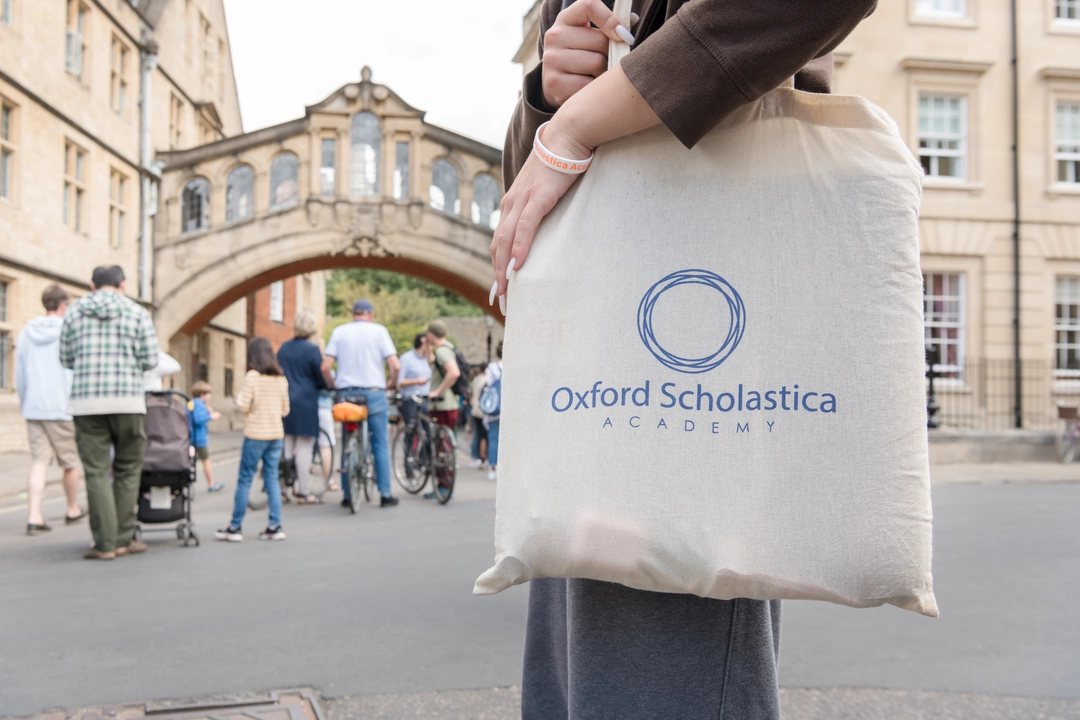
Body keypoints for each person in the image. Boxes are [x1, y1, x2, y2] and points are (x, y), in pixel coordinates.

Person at [491, 0, 876, 716]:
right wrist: (548, 95)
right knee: (579, 677)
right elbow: (530, 198)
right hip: (591, 354)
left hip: (699, 300)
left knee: (661, 666)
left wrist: (581, 118)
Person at [60, 266, 159, 560]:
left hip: (87, 403)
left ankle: (104, 544)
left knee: (97, 472)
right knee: (129, 470)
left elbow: (65, 358)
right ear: (123, 284)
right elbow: (150, 359)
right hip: (128, 401)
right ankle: (122, 539)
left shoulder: (74, 312)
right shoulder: (137, 312)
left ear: (92, 285)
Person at [16, 284, 85, 535]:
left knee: (39, 461)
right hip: (62, 406)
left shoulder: (26, 331)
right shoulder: (69, 330)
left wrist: (26, 402)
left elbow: (19, 372)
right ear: (64, 305)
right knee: (70, 463)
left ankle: (34, 515)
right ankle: (72, 508)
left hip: (34, 406)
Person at [321, 299, 401, 508]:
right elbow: (395, 365)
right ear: (371, 315)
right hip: (374, 393)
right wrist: (392, 383)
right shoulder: (379, 331)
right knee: (380, 443)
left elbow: (325, 366)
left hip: (347, 393)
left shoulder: (340, 332)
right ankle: (385, 494)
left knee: (347, 440)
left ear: (353, 314)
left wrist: (333, 386)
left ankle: (347, 495)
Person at [216, 337, 290, 542]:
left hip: (256, 435)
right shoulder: (281, 379)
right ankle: (275, 526)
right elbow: (285, 410)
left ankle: (235, 526)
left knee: (245, 479)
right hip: (276, 435)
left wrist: (248, 405)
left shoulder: (253, 377)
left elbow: (242, 405)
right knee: (272, 478)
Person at [277, 310, 327, 504]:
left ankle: (283, 490)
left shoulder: (283, 348)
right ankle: (304, 491)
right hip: (306, 402)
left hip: (285, 401)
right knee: (305, 448)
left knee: (286, 447)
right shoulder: (312, 350)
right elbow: (320, 377)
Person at [398, 333, 432, 480]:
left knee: (429, 432)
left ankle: (422, 461)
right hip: (410, 399)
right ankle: (408, 467)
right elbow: (400, 382)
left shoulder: (427, 359)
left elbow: (433, 362)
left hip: (425, 399)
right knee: (410, 433)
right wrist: (416, 381)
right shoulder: (406, 358)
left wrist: (429, 347)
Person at [188, 381, 223, 492]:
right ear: (202, 394)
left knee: (189, 461)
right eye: (208, 393)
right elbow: (198, 419)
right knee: (206, 461)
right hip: (199, 439)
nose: (209, 396)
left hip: (192, 438)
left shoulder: (192, 403)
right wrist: (211, 416)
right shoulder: (198, 403)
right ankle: (211, 484)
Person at [424, 321, 461, 429]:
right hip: (449, 403)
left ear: (431, 334)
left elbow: (454, 372)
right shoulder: (449, 347)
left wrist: (437, 392)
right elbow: (433, 364)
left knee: (441, 442)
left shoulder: (442, 351)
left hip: (442, 404)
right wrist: (428, 348)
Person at [483, 342, 503, 483]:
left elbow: (488, 383)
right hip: (509, 408)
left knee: (494, 438)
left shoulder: (493, 367)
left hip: (495, 408)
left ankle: (492, 467)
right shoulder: (513, 365)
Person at [468, 367, 489, 469]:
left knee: (477, 434)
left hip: (474, 410)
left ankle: (474, 457)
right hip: (482, 411)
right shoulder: (486, 380)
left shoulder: (476, 380)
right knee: (483, 436)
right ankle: (481, 458)